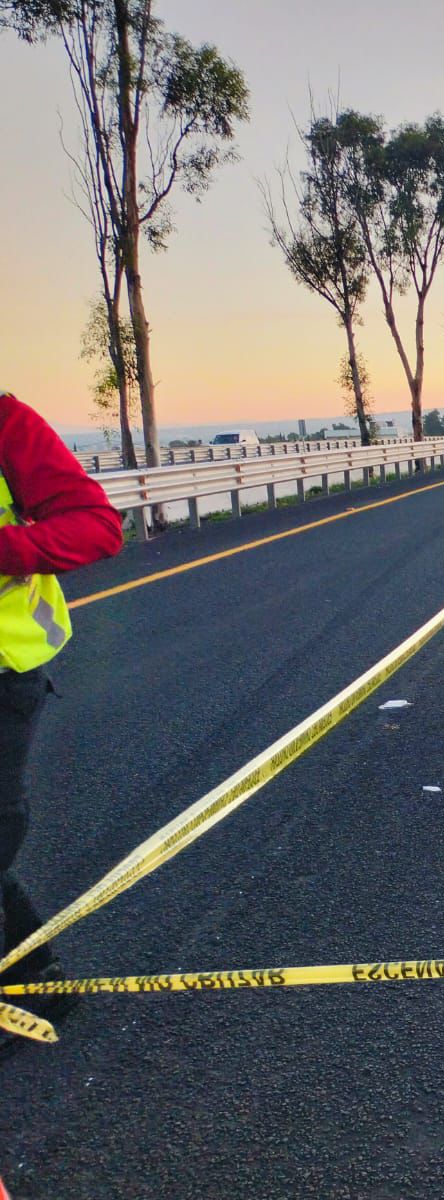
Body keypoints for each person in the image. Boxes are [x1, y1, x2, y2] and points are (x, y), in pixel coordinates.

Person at [0, 390, 122, 1029]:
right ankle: (32, 974)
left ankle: (27, 986)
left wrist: (6, 548)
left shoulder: (4, 421)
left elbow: (99, 528)